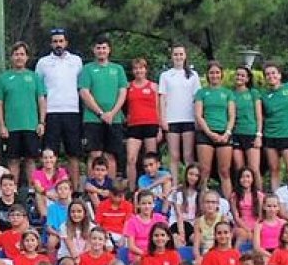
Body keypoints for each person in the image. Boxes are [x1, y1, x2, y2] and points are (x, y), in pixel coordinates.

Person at [35, 28, 84, 190]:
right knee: (50, 155)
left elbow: (81, 87)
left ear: (66, 43)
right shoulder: (42, 63)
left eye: (61, 41)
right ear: (51, 43)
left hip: (72, 112)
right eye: (55, 41)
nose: (58, 44)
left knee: (73, 154)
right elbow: (39, 91)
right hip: (51, 113)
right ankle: (50, 189)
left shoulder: (76, 61)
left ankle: (75, 190)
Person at [0, 41, 45, 181]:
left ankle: (32, 193)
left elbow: (41, 100)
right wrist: (2, 125)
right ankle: (12, 192)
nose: (19, 57)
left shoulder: (34, 77)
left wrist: (41, 122)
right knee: (12, 161)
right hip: (11, 128)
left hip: (31, 126)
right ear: (11, 57)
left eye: (22, 54)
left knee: (31, 160)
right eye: (16, 54)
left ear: (27, 57)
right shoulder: (3, 78)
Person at [78, 35, 127, 179]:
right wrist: (100, 113)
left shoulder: (118, 69)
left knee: (110, 155)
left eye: (104, 48)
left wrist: (112, 113)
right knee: (94, 154)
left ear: (109, 50)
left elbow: (122, 92)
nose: (101, 51)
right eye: (98, 48)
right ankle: (92, 189)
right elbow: (84, 92)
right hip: (93, 119)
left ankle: (109, 190)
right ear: (94, 50)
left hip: (114, 119)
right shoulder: (87, 69)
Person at [159, 45, 201, 181]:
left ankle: (190, 183)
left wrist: (197, 119)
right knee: (174, 155)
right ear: (172, 56)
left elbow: (197, 98)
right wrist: (162, 119)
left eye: (181, 54)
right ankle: (175, 184)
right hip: (171, 119)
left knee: (188, 155)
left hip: (188, 119)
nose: (178, 57)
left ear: (185, 56)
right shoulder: (165, 75)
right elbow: (162, 98)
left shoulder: (193, 75)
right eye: (175, 54)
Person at [195, 61, 236, 196]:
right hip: (205, 133)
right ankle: (201, 203)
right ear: (208, 75)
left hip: (224, 133)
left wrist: (227, 133)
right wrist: (209, 132)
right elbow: (198, 115)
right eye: (212, 72)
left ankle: (230, 206)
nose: (214, 75)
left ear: (221, 74)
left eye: (217, 72)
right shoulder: (201, 92)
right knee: (204, 170)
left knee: (224, 171)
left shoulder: (228, 93)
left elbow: (231, 116)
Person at [259, 63, 288, 192]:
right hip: (271, 135)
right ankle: (275, 198)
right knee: (274, 169)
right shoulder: (264, 95)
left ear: (279, 75)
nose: (271, 76)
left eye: (273, 73)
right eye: (268, 74)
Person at [123, 58, 161, 191]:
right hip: (134, 125)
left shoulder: (153, 86)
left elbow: (158, 108)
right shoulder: (128, 87)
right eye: (136, 68)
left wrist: (160, 128)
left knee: (151, 159)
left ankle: (153, 189)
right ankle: (132, 190)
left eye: (141, 68)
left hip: (151, 124)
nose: (139, 71)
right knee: (131, 158)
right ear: (133, 71)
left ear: (146, 69)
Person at [230, 65, 264, 189]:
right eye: (238, 75)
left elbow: (259, 116)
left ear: (248, 79)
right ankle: (241, 198)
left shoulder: (253, 93)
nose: (239, 77)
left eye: (243, 75)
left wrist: (259, 134)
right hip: (236, 134)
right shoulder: (231, 94)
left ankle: (260, 198)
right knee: (239, 169)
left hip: (251, 133)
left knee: (254, 169)